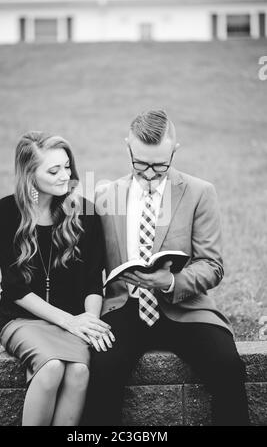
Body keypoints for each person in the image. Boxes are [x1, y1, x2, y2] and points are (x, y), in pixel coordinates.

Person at [81, 109, 250, 426]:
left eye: (159, 166)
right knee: (101, 371)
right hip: (124, 308)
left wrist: (170, 280)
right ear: (127, 147)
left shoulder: (200, 192)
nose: (148, 174)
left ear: (175, 150)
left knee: (228, 366)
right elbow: (90, 267)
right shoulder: (106, 194)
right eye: (140, 164)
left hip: (184, 307)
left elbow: (212, 265)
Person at [0, 131, 114, 426]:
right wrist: (70, 322)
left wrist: (89, 323)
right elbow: (16, 287)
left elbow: (94, 280)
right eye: (53, 170)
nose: (65, 176)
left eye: (67, 167)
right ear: (29, 174)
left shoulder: (85, 213)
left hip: (76, 320)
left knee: (79, 371)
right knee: (52, 367)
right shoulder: (4, 213)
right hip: (22, 319)